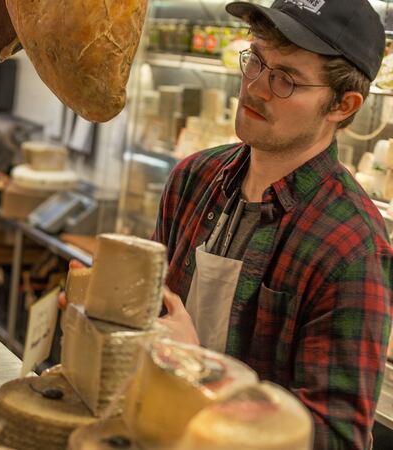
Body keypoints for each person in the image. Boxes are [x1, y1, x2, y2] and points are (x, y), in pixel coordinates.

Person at [150, 1, 392, 448]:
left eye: (286, 79)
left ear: (343, 104)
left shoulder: (350, 246)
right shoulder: (192, 178)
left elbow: (336, 437)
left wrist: (203, 373)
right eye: (256, 59)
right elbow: (149, 316)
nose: (256, 87)